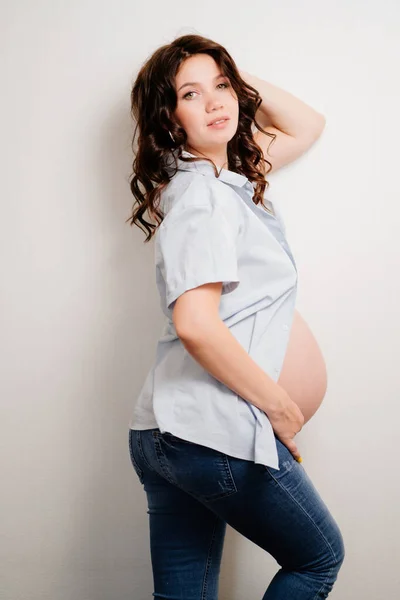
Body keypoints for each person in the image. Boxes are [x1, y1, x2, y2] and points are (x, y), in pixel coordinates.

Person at [127, 33, 345, 599]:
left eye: (222, 88)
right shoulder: (202, 199)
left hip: (167, 431)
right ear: (170, 120)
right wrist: (279, 407)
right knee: (318, 560)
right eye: (191, 95)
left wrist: (228, 74)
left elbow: (307, 124)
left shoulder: (225, 184)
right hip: (211, 433)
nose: (217, 102)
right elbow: (198, 324)